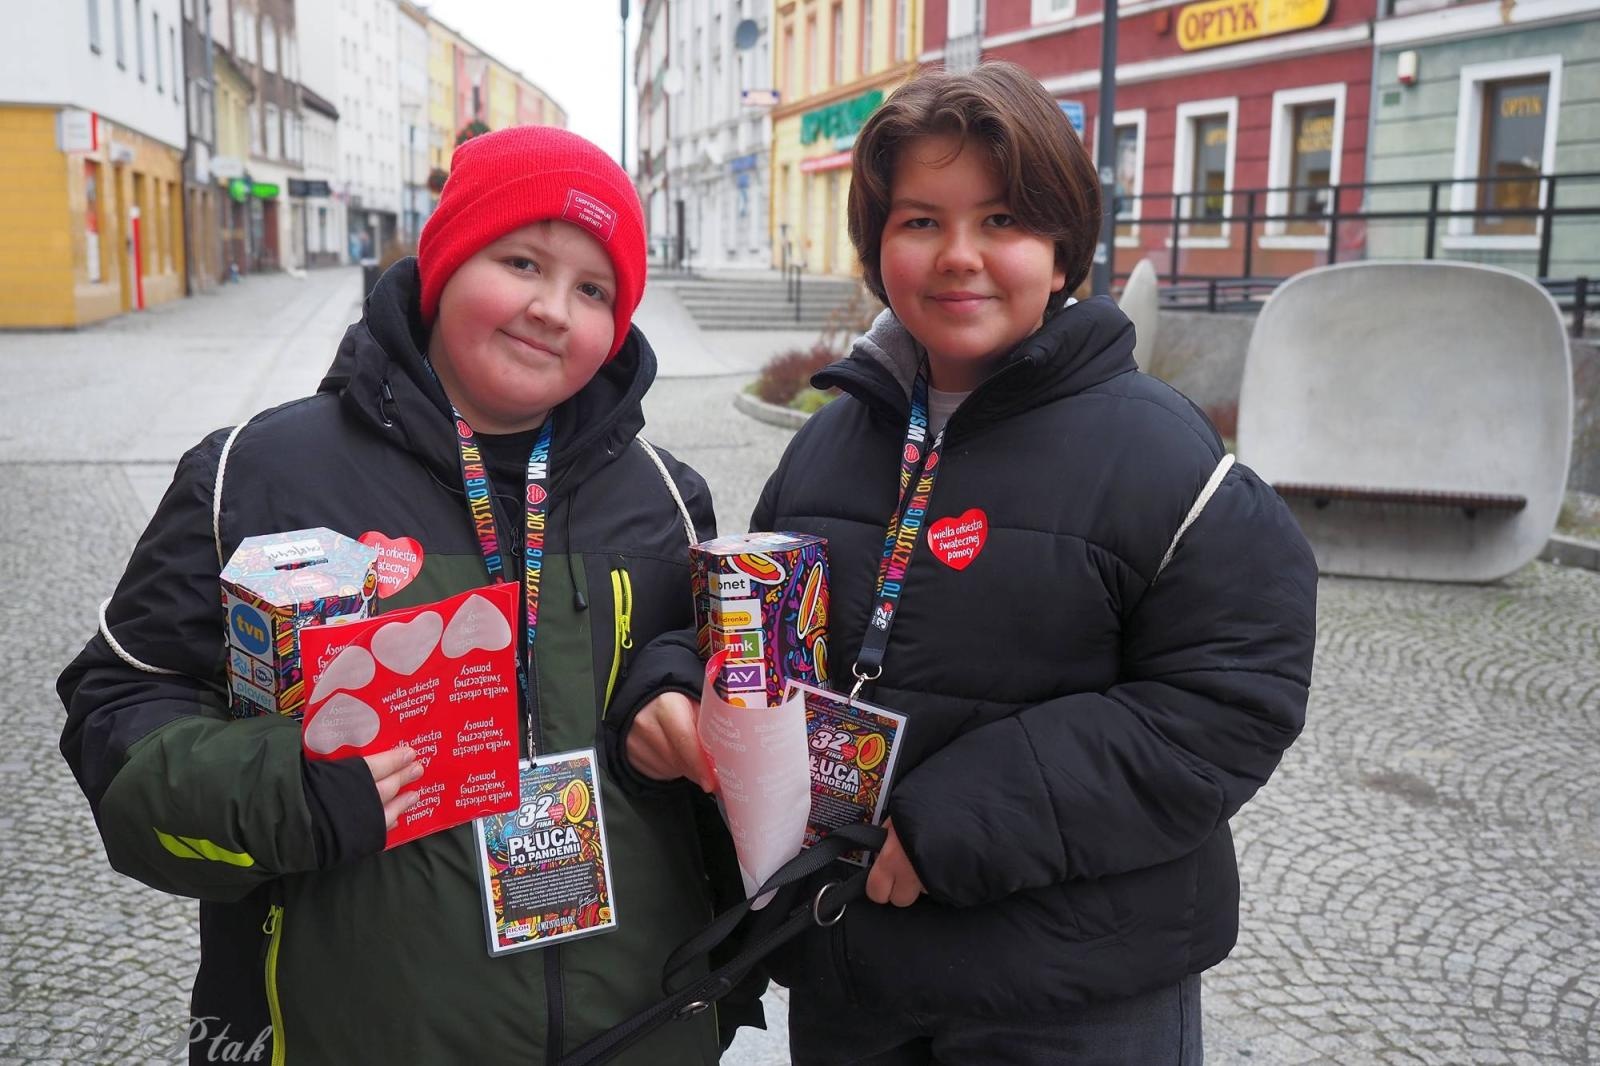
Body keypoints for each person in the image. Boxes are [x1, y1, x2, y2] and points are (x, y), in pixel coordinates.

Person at [622, 61, 1318, 1063]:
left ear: (1063, 245)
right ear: (876, 244)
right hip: (850, 975)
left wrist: (949, 826)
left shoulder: (1165, 458)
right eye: (920, 221)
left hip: (1071, 996)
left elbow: (1227, 701)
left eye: (1001, 221)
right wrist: (671, 686)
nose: (959, 256)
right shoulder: (828, 443)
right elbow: (753, 631)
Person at [58, 125, 756, 1065]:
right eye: (521, 262)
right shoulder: (256, 475)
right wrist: (286, 793)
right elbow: (116, 715)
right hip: (363, 1030)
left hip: (639, 1025)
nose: (554, 309)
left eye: (595, 290)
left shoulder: (665, 496)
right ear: (444, 261)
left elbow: (704, 669)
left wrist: (665, 690)